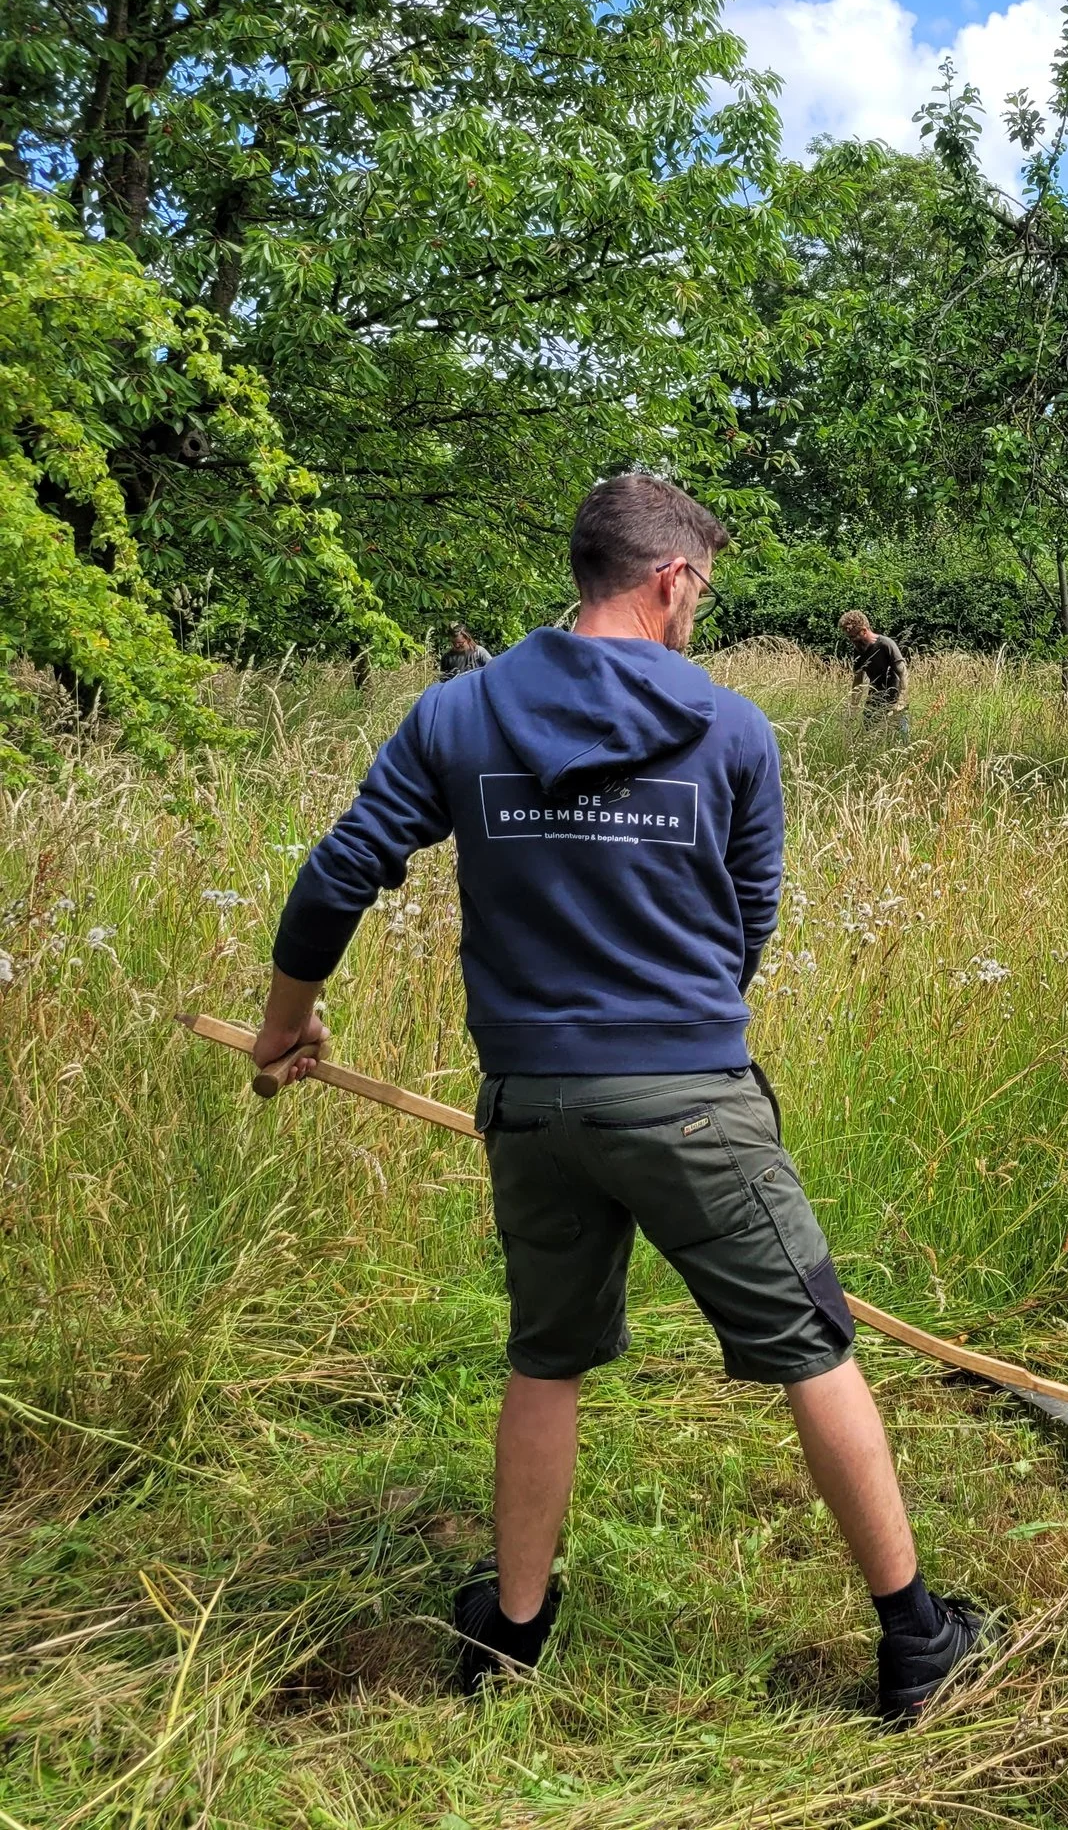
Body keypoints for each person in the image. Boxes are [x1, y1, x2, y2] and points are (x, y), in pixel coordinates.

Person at [250, 473, 988, 1715]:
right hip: (694, 1098)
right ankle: (917, 1641)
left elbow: (339, 876)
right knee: (815, 1348)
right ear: (669, 580)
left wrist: (285, 1023)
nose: (700, 606)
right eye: (702, 586)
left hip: (531, 1103)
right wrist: (675, 1016)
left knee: (546, 1358)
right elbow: (747, 922)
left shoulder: (460, 715)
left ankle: (509, 1641)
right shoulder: (735, 730)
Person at [839, 610, 909, 735]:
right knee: (868, 737)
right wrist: (853, 706)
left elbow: (903, 672)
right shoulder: (858, 651)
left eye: (853, 637)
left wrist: (901, 701)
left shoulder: (886, 644)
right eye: (849, 637)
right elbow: (858, 679)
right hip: (874, 700)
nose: (852, 641)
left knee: (900, 739)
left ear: (864, 631)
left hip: (894, 700)